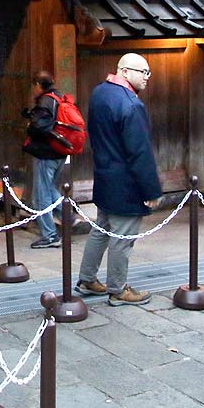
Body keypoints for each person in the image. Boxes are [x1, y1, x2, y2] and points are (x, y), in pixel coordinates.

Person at [75, 53, 163, 305]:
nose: (147, 78)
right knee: (122, 238)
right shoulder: (131, 104)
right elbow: (140, 152)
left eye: (148, 73)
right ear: (124, 71)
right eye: (142, 72)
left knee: (101, 230)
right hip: (126, 183)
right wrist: (151, 190)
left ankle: (87, 278)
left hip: (104, 175)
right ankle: (118, 289)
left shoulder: (100, 92)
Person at [23, 70, 66, 249]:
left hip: (45, 153)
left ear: (38, 85)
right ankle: (71, 216)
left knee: (41, 196)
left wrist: (29, 125)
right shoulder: (59, 97)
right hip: (60, 151)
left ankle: (50, 235)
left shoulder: (45, 101)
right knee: (49, 190)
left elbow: (40, 127)